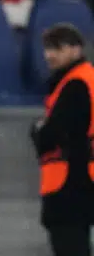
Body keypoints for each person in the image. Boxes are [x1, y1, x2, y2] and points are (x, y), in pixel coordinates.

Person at [30, 23, 94, 256]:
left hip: (69, 182)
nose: (50, 55)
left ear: (76, 49)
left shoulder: (74, 84)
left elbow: (52, 134)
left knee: (70, 245)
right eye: (47, 49)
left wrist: (38, 130)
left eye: (58, 48)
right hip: (84, 177)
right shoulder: (86, 78)